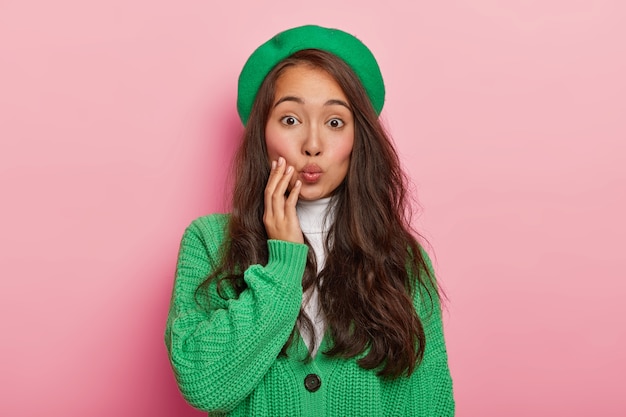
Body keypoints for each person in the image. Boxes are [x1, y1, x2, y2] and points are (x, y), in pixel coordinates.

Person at [165, 25, 454, 416]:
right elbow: (202, 383)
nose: (313, 145)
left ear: (358, 140)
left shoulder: (399, 257)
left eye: (335, 122)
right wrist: (283, 264)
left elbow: (428, 403)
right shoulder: (208, 241)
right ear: (262, 134)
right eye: (290, 120)